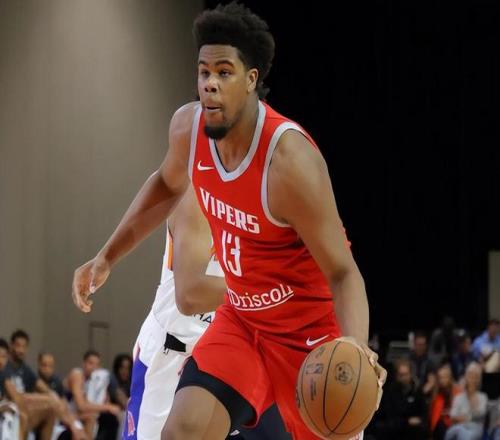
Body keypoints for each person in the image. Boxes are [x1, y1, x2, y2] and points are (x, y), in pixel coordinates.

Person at [71, 3, 386, 439]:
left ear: (252, 79)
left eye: (224, 72)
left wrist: (355, 346)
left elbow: (343, 271)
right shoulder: (188, 129)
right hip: (243, 322)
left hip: (308, 334)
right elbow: (165, 184)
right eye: (204, 72)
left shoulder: (290, 163)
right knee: (182, 431)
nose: (210, 84)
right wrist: (107, 256)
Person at [65, 350, 121, 439]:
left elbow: (99, 403)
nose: (94, 367)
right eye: (91, 363)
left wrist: (106, 402)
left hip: (80, 415)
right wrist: (108, 407)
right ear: (84, 363)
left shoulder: (95, 380)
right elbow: (81, 406)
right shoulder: (77, 375)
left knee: (110, 418)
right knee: (90, 418)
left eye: (97, 365)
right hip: (67, 415)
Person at [374, 358, 428, 440]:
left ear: (410, 374)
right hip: (396, 430)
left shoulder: (417, 391)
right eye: (401, 375)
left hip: (412, 431)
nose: (404, 378)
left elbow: (423, 414)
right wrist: (407, 421)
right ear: (397, 375)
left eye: (406, 374)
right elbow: (389, 417)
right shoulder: (391, 391)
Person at [38, 352, 87, 440]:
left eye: (50, 366)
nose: (47, 369)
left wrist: (72, 421)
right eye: (44, 365)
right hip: (46, 422)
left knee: (81, 431)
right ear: (39, 365)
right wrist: (71, 424)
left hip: (62, 420)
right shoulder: (35, 381)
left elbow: (64, 405)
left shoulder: (56, 381)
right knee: (71, 432)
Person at [444, 362, 487, 440]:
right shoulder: (458, 397)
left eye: (475, 376)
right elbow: (452, 415)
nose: (472, 379)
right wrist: (466, 418)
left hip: (475, 428)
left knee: (463, 433)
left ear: (478, 380)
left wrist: (471, 395)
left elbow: (480, 415)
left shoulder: (482, 397)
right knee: (453, 431)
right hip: (459, 426)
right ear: (465, 377)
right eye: (470, 375)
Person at [430, 364, 461, 440]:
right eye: (440, 377)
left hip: (455, 425)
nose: (442, 380)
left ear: (450, 378)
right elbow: (434, 418)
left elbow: (462, 413)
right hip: (440, 427)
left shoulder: (458, 392)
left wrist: (449, 413)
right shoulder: (436, 394)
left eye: (444, 377)